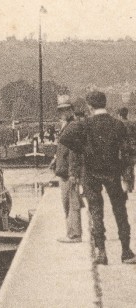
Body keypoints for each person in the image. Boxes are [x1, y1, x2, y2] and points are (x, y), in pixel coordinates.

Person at [60, 91, 136, 265]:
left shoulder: (85, 124)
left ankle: (101, 252)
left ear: (89, 106)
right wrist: (127, 176)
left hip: (91, 172)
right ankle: (126, 251)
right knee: (120, 211)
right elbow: (127, 151)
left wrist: (83, 150)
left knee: (96, 211)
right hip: (113, 172)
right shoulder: (117, 124)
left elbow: (65, 137)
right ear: (105, 103)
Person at [54, 96, 83, 243]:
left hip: (68, 173)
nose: (62, 113)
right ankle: (71, 232)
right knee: (67, 203)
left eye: (65, 110)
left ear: (71, 110)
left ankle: (74, 234)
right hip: (64, 171)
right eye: (60, 110)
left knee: (72, 203)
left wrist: (73, 173)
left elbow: (74, 152)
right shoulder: (67, 126)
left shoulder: (73, 126)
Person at [117, 107, 135, 192]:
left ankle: (125, 186)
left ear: (120, 115)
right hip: (132, 148)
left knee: (123, 166)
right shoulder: (132, 124)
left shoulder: (118, 124)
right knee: (130, 166)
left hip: (122, 149)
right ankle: (130, 186)